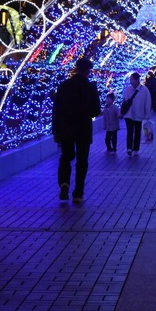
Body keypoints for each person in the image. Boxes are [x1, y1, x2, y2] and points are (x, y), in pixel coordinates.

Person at [52, 57, 102, 203]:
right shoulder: (90, 87)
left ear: (76, 68)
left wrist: (56, 130)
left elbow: (56, 110)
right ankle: (78, 192)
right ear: (88, 71)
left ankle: (64, 184)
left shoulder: (64, 85)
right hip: (83, 129)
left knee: (65, 157)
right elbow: (96, 110)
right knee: (82, 160)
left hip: (66, 128)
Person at [121, 72, 152, 156]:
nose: (131, 81)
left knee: (137, 132)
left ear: (137, 80)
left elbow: (147, 103)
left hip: (139, 114)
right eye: (130, 79)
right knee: (130, 131)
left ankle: (136, 149)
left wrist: (147, 115)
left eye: (132, 79)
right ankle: (129, 148)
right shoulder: (127, 89)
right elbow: (124, 101)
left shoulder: (144, 90)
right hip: (128, 114)